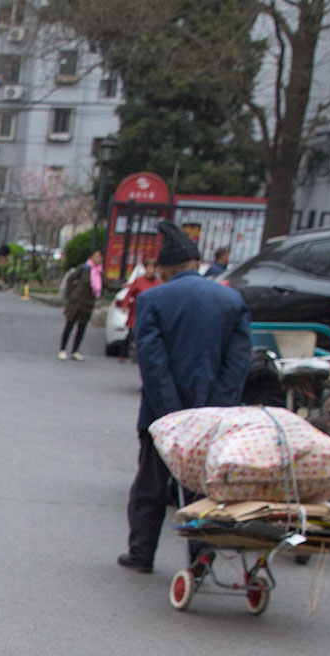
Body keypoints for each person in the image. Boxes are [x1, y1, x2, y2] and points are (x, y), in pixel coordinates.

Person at [119, 220, 252, 572]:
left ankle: (141, 554)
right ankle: (200, 559)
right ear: (196, 265)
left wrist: (173, 414)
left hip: (162, 417)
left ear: (162, 269)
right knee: (204, 490)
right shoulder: (231, 300)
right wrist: (215, 410)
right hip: (213, 416)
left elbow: (153, 362)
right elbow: (237, 363)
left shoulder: (153, 299)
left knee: (150, 486)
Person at [58, 253, 98, 360]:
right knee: (69, 325)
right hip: (75, 303)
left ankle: (75, 350)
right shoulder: (83, 268)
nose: (98, 259)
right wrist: (71, 294)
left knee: (82, 328)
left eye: (100, 257)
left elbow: (106, 284)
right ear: (91, 257)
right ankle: (62, 349)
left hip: (87, 304)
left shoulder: (98, 272)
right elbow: (70, 279)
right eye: (97, 256)